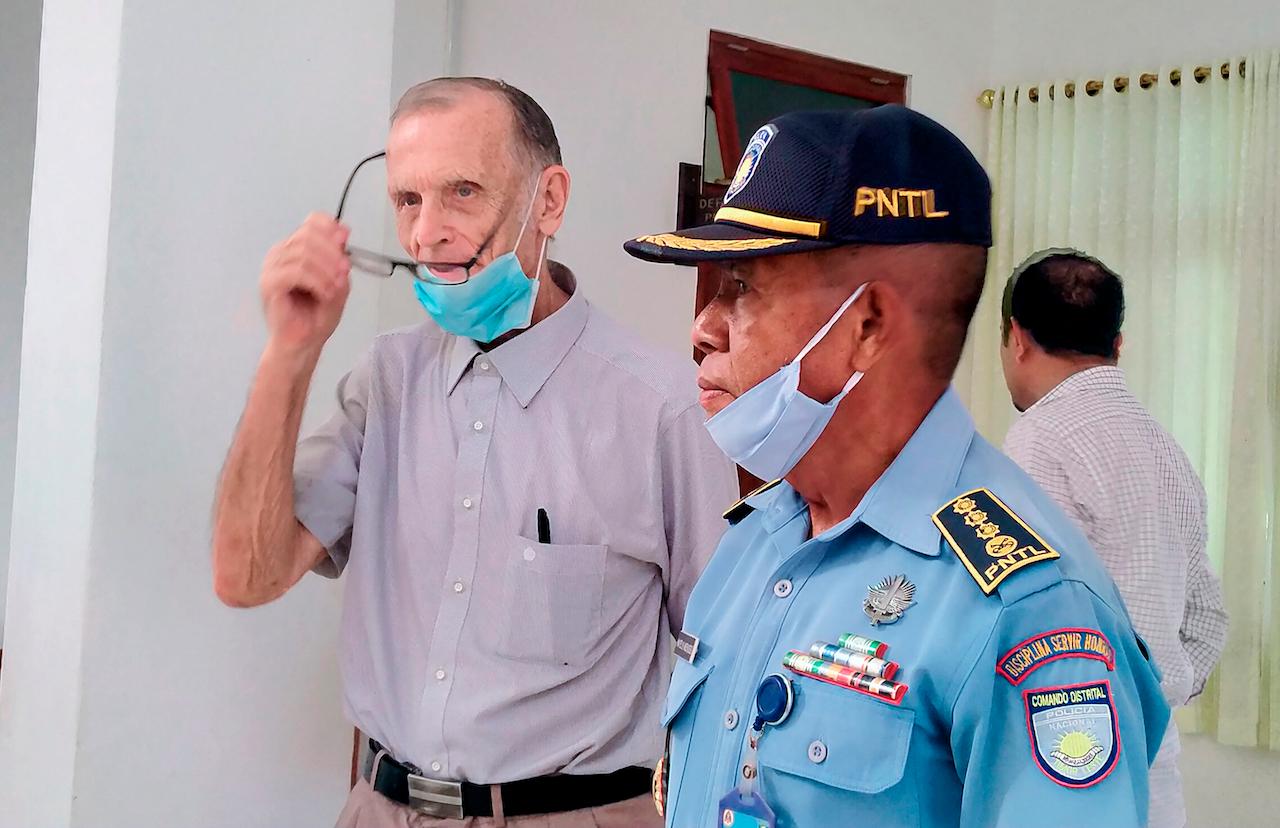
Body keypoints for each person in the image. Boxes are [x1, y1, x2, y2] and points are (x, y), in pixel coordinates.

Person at [623, 106, 1171, 828]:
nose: (703, 328)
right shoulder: (757, 539)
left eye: (743, 287)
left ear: (868, 325)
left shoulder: (1026, 605)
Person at [211, 76, 737, 827]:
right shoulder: (384, 382)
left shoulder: (664, 410)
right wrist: (290, 351)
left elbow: (726, 661)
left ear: (548, 200)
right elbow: (246, 575)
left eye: (462, 191)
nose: (428, 234)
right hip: (379, 809)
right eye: (407, 201)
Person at [999, 248, 1229, 828]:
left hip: (1062, 751)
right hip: (1154, 749)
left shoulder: (1035, 441)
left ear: (1017, 338)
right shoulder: (1167, 450)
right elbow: (1205, 618)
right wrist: (1158, 690)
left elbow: (1021, 616)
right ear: (1117, 345)